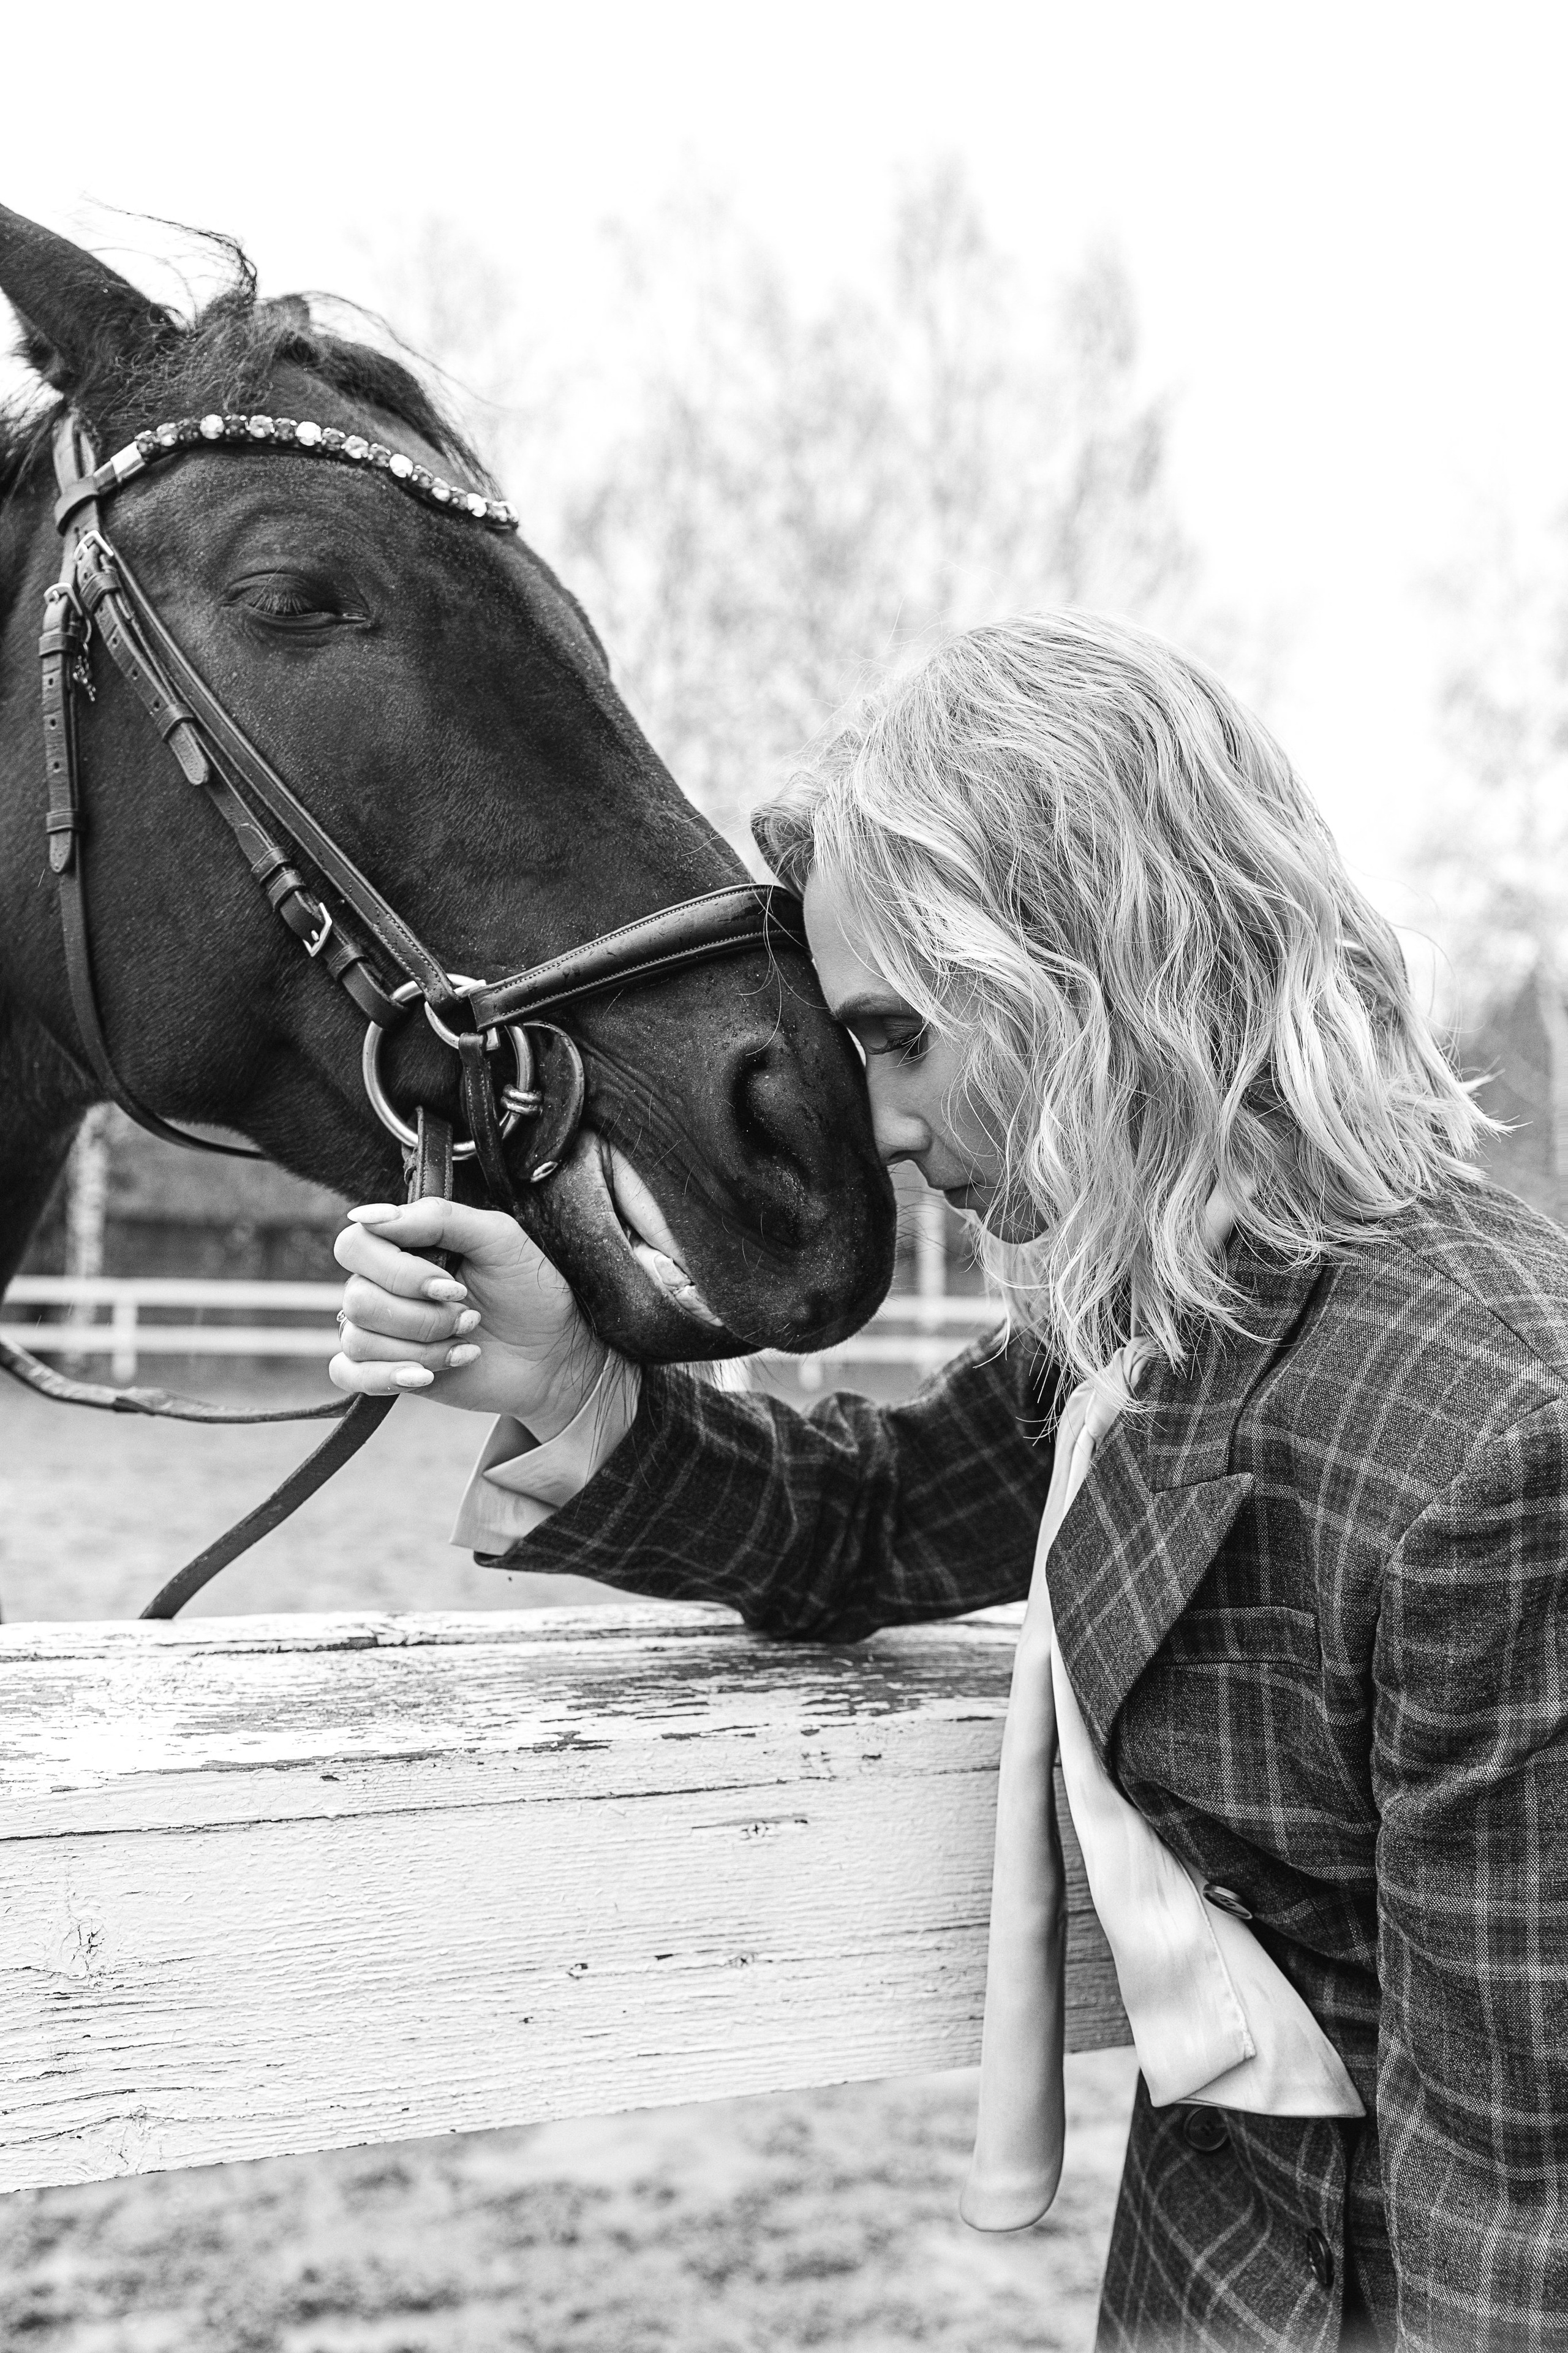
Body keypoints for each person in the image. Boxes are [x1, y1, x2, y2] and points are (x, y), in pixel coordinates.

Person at [329, 612, 1568, 2351]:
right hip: (1206, 2277)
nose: (879, 1121)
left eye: (900, 1035)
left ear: (1097, 957)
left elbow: (1526, 2204)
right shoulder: (1163, 1299)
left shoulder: (1501, 1437)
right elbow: (883, 1513)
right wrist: (571, 1374)